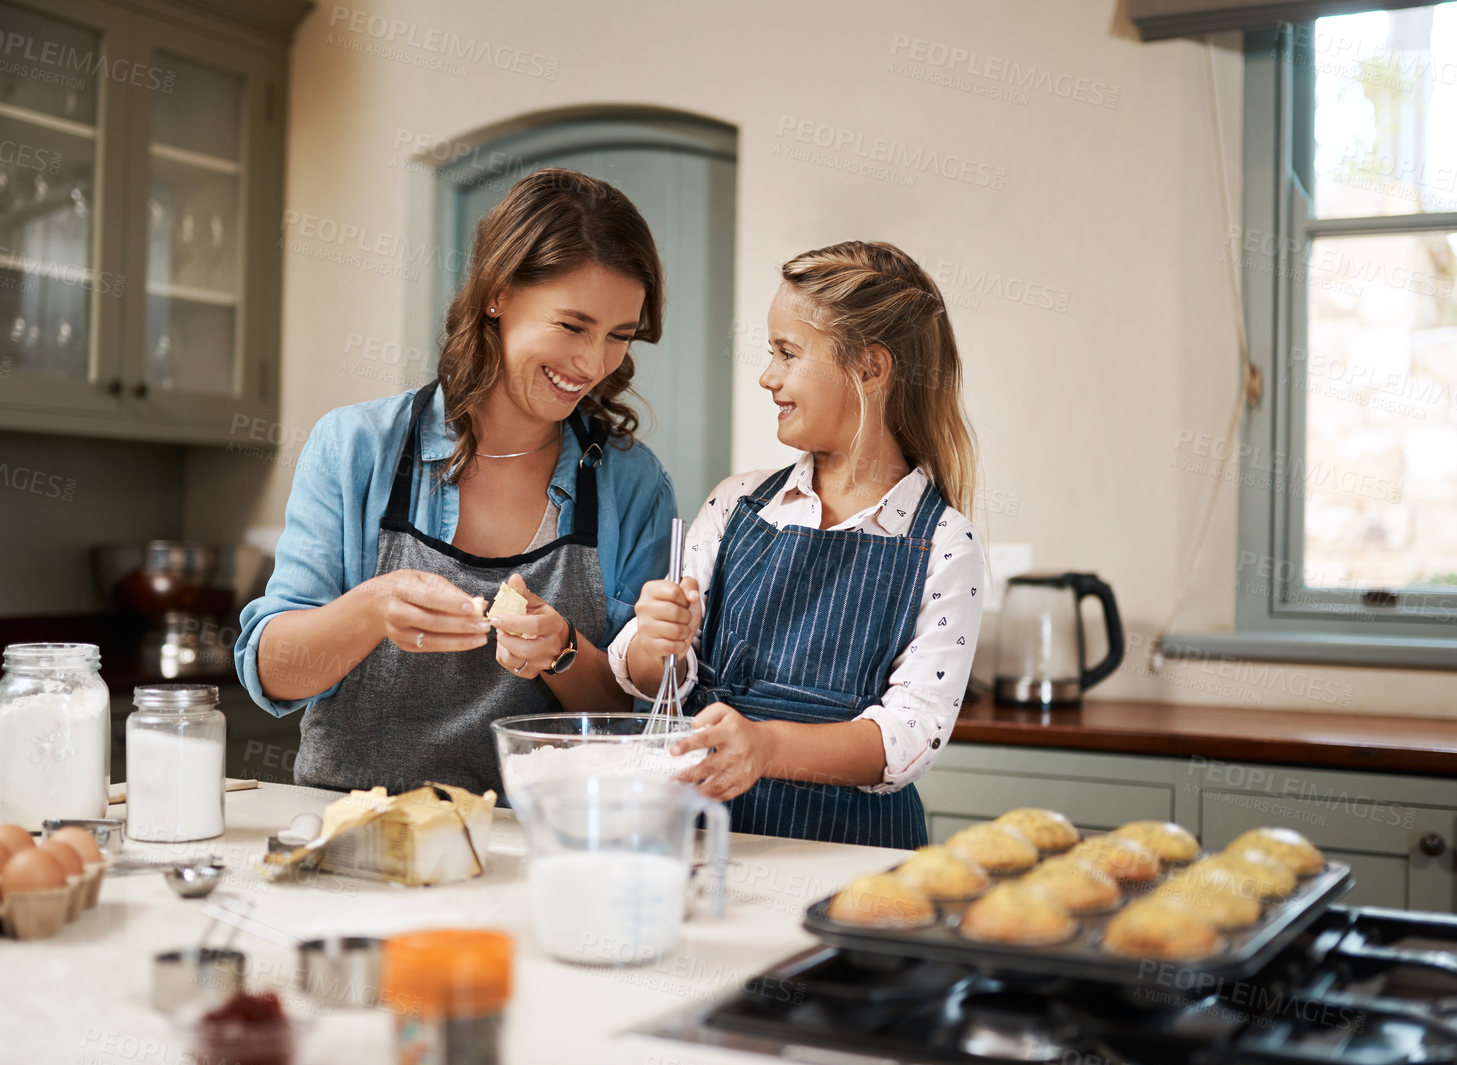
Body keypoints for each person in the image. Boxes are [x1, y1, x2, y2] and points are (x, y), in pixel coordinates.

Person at [237, 169, 678, 795]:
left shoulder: (631, 481)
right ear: (498, 294)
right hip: (358, 838)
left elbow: (632, 713)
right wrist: (371, 609)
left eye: (619, 337)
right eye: (573, 326)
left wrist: (564, 652)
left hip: (537, 844)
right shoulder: (356, 447)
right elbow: (273, 675)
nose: (592, 364)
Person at [610, 241, 984, 849]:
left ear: (870, 368)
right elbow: (655, 676)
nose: (767, 376)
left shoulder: (944, 544)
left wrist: (765, 747)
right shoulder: (737, 504)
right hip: (707, 843)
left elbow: (909, 737)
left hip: (852, 859)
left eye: (787, 353)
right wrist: (656, 641)